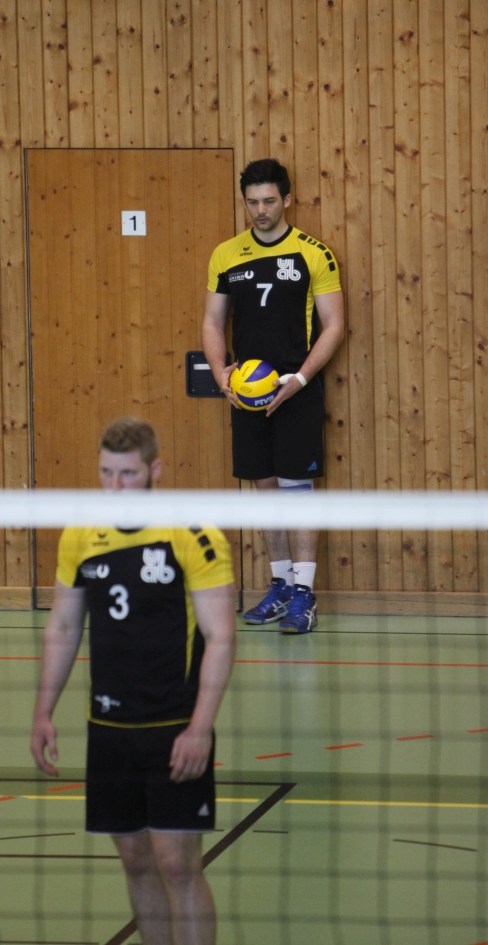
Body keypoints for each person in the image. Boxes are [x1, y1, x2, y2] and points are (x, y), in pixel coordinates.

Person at [30, 416, 236, 945]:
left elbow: (220, 636)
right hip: (109, 728)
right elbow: (64, 626)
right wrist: (43, 712)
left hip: (175, 724)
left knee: (178, 864)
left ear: (154, 470)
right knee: (137, 861)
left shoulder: (193, 534)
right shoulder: (82, 534)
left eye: (126, 473)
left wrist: (200, 728)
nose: (115, 485)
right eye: (106, 473)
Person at [202, 159, 344, 635]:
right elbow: (211, 321)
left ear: (286, 199)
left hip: (296, 390)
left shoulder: (313, 254)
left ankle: (305, 593)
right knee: (265, 489)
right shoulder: (226, 254)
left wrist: (299, 380)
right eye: (252, 202)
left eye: (268, 201)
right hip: (248, 395)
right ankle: (280, 585)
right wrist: (221, 374)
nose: (260, 210)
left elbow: (335, 326)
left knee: (296, 491)